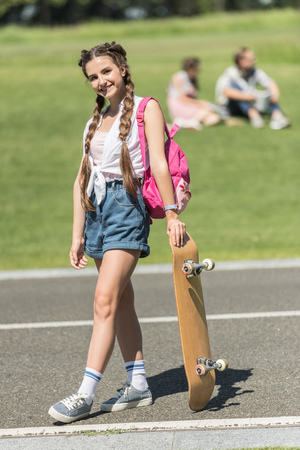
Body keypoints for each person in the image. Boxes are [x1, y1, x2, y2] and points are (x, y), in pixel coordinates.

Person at [48, 42, 186, 424]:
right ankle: (138, 384)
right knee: (121, 301)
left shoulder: (146, 108)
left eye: (106, 72)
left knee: (104, 301)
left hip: (127, 208)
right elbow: (81, 179)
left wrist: (172, 214)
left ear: (122, 68)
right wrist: (77, 235)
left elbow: (158, 163)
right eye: (92, 76)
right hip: (97, 213)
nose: (100, 80)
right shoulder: (94, 121)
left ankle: (84, 394)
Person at [215, 47, 291, 129]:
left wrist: (274, 93)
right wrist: (248, 97)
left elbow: (270, 83)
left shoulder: (253, 71)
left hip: (250, 101)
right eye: (251, 59)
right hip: (231, 107)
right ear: (242, 62)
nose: (255, 61)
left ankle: (277, 116)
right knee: (236, 88)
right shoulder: (230, 73)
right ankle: (254, 115)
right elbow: (226, 92)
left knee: (268, 93)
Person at [167, 57, 221, 130]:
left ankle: (185, 123)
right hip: (179, 105)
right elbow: (183, 99)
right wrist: (201, 103)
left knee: (214, 118)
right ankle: (189, 122)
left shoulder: (191, 78)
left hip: (189, 104)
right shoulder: (179, 77)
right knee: (207, 110)